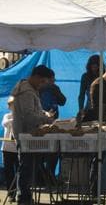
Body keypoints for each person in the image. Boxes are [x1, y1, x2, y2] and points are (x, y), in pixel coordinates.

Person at [11, 66, 56, 205]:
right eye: (42, 81)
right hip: (26, 135)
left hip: (28, 134)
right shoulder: (26, 92)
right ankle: (23, 197)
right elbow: (29, 116)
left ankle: (25, 195)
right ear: (36, 77)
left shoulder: (30, 89)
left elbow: (34, 110)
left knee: (28, 167)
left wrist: (43, 114)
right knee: (26, 167)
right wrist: (46, 119)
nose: (43, 85)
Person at [2, 98, 16, 201]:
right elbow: (5, 123)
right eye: (12, 105)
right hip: (7, 149)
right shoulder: (7, 116)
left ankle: (19, 192)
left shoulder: (23, 117)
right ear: (9, 106)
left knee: (20, 173)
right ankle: (11, 194)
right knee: (9, 172)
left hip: (18, 149)